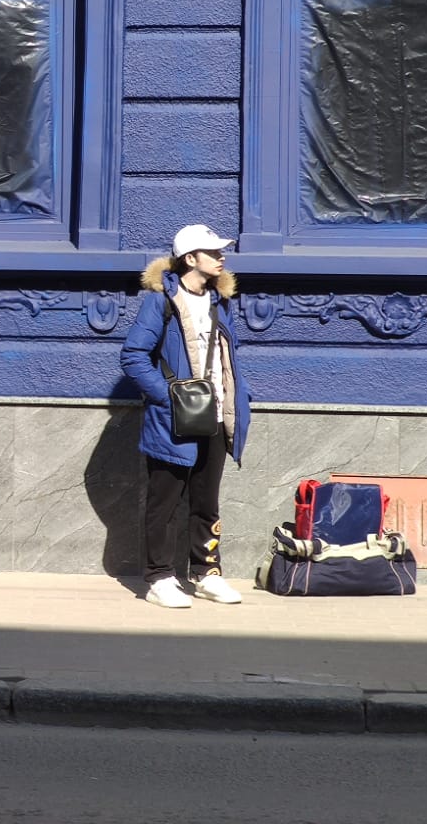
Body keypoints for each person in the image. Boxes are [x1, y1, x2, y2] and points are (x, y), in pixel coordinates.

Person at [120, 224, 252, 609]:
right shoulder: (160, 300)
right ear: (190, 258)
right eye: (213, 252)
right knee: (164, 502)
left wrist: (237, 399)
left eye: (221, 251)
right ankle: (159, 578)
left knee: (206, 502)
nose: (221, 257)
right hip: (174, 417)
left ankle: (207, 573)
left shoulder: (220, 302)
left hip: (216, 413)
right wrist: (167, 398)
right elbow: (133, 356)